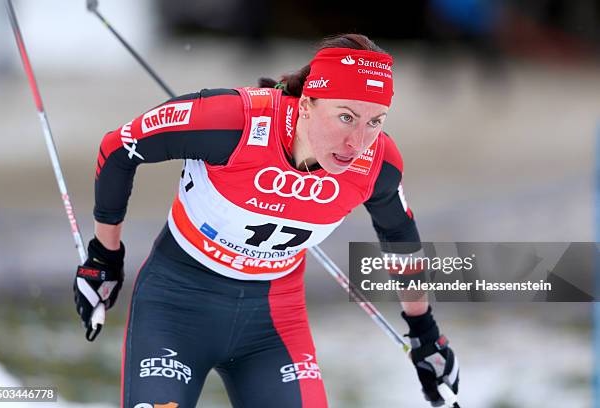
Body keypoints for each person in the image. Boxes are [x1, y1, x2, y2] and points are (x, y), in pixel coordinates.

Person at [73, 33, 460, 408]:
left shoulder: (377, 164)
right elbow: (120, 148)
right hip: (176, 305)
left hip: (273, 324)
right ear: (307, 102)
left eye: (375, 121)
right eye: (346, 117)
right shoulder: (232, 121)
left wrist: (424, 332)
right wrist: (104, 258)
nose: (358, 142)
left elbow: (398, 233)